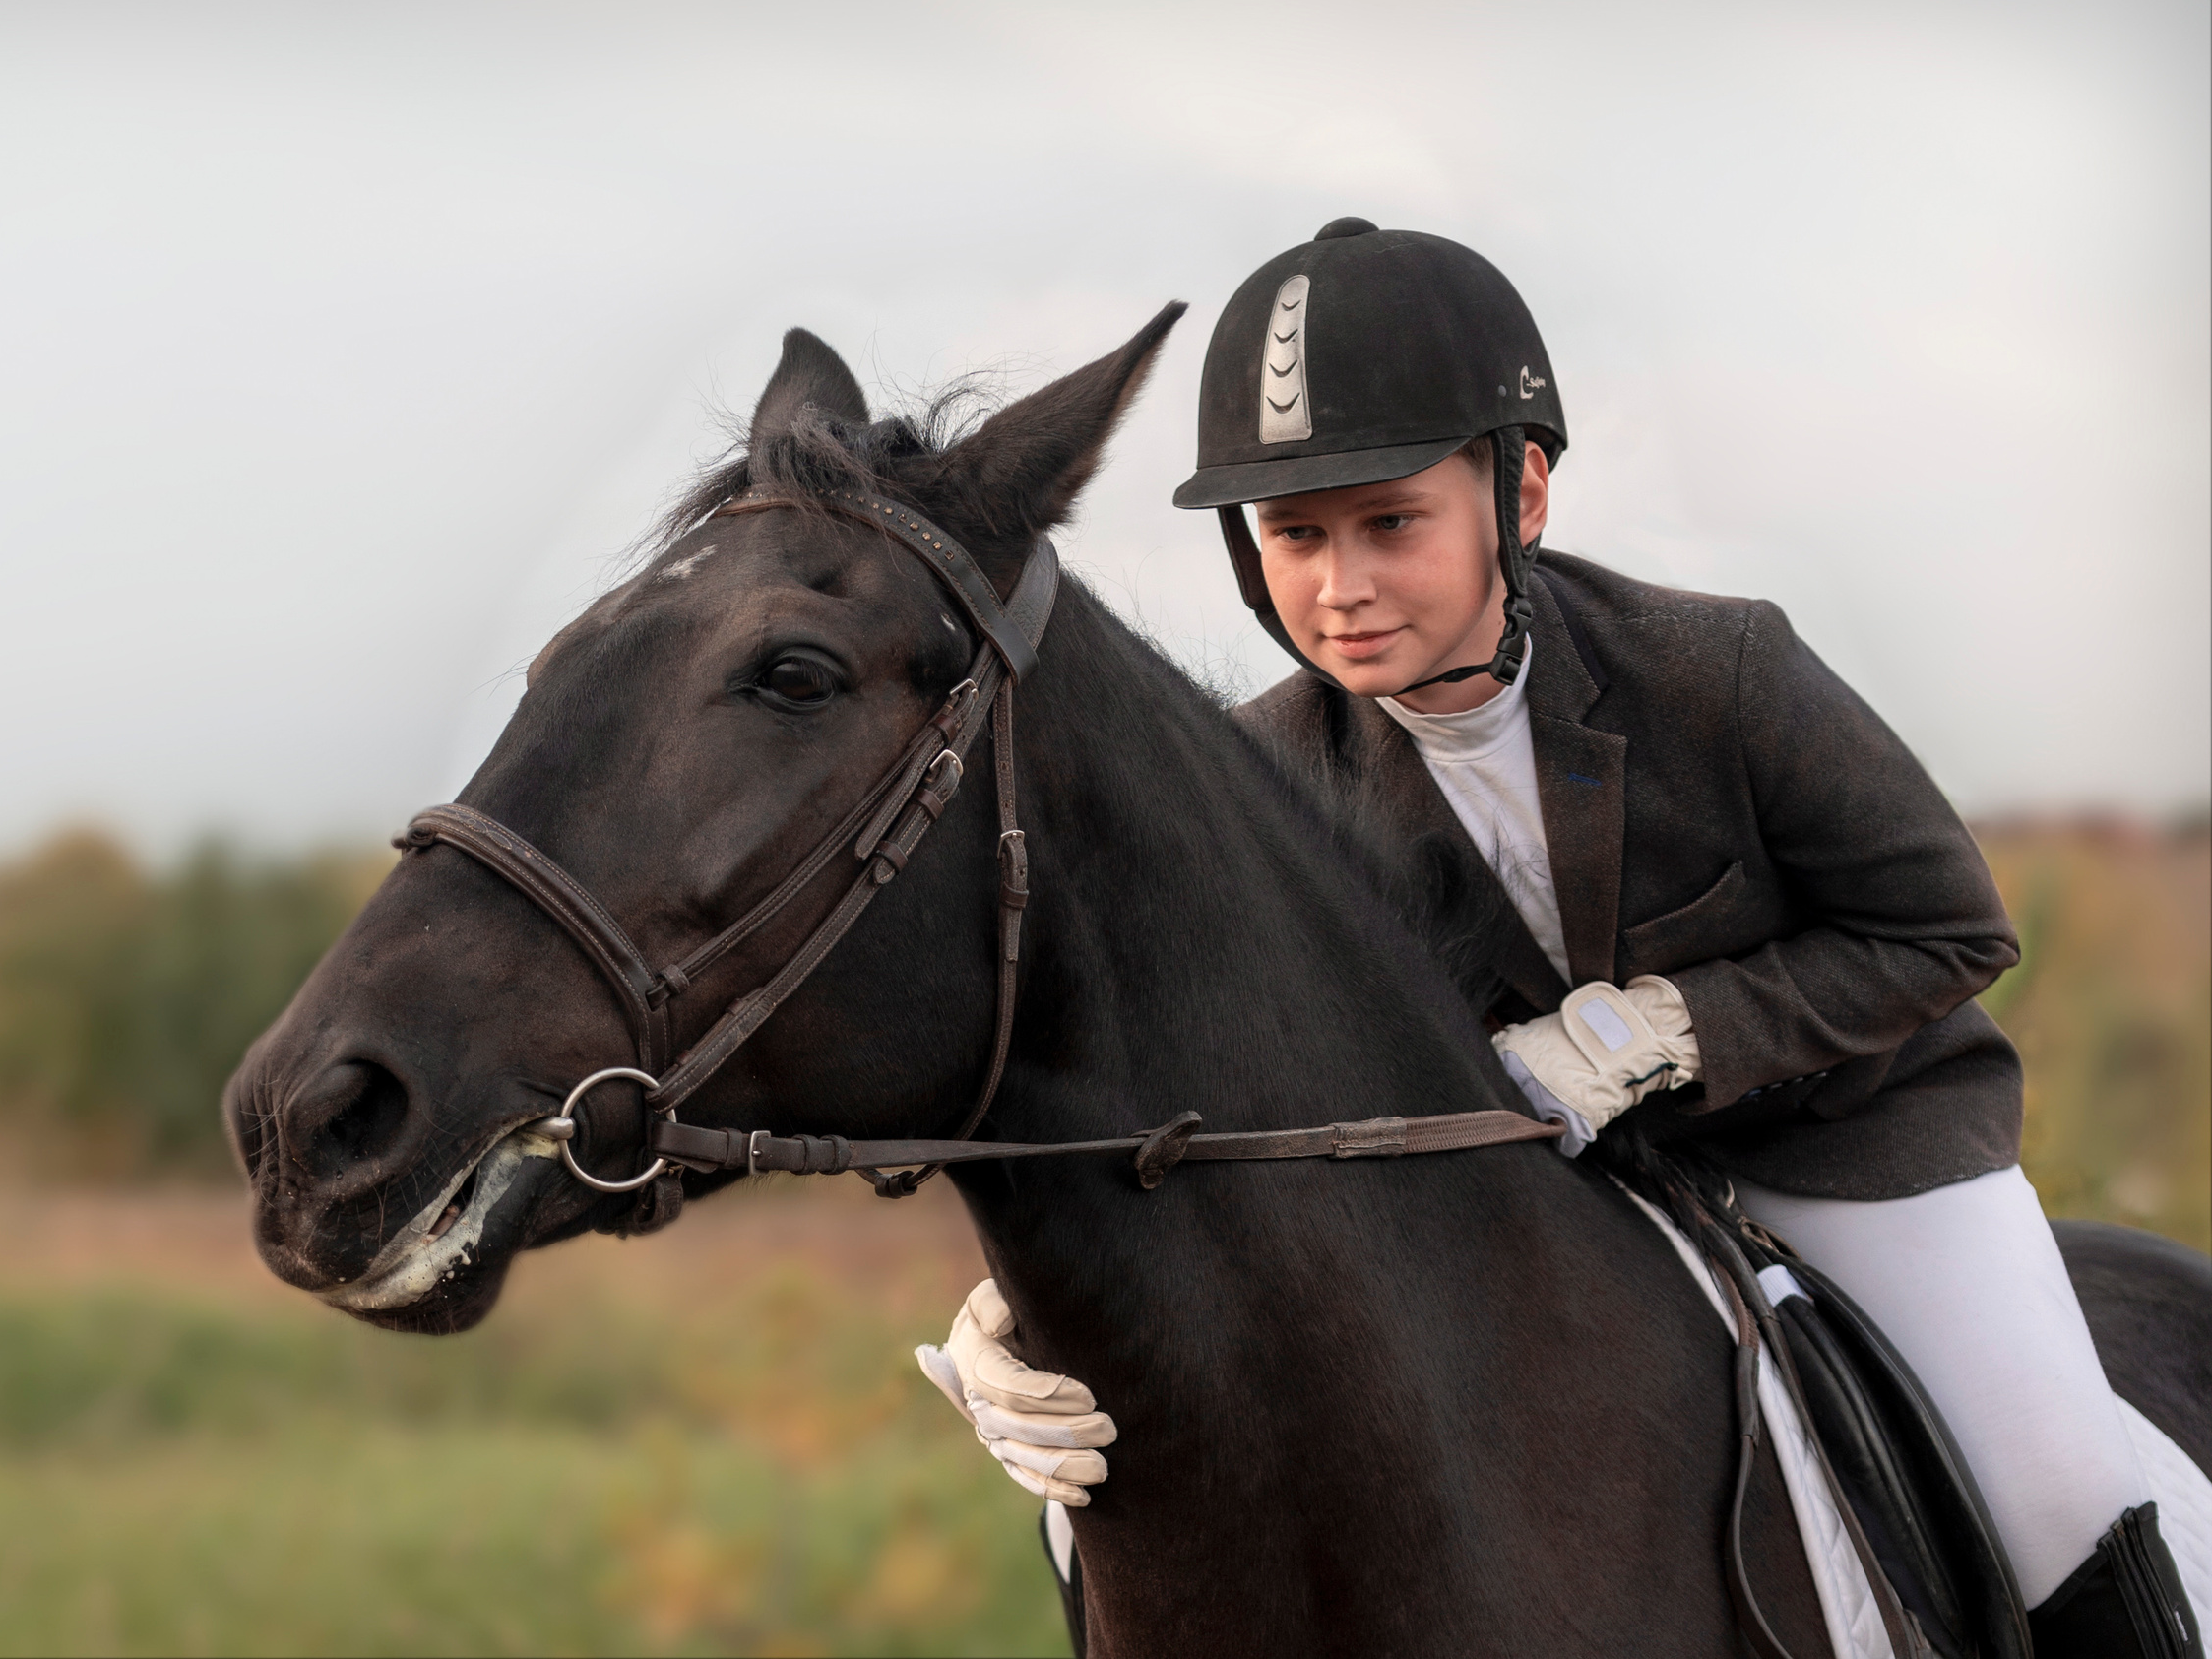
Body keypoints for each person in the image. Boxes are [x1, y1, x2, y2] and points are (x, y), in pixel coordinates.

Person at [916, 219, 2199, 1657]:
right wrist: (1029, 1305)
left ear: (1516, 493)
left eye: (1390, 523)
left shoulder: (1722, 672)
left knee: (2058, 1490)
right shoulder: (1258, 787)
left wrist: (1662, 1034)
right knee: (1103, 1501)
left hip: (1848, 1156)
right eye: (1295, 535)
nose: (1339, 587)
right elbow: (1194, 1077)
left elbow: (1946, 931)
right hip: (1517, 1211)